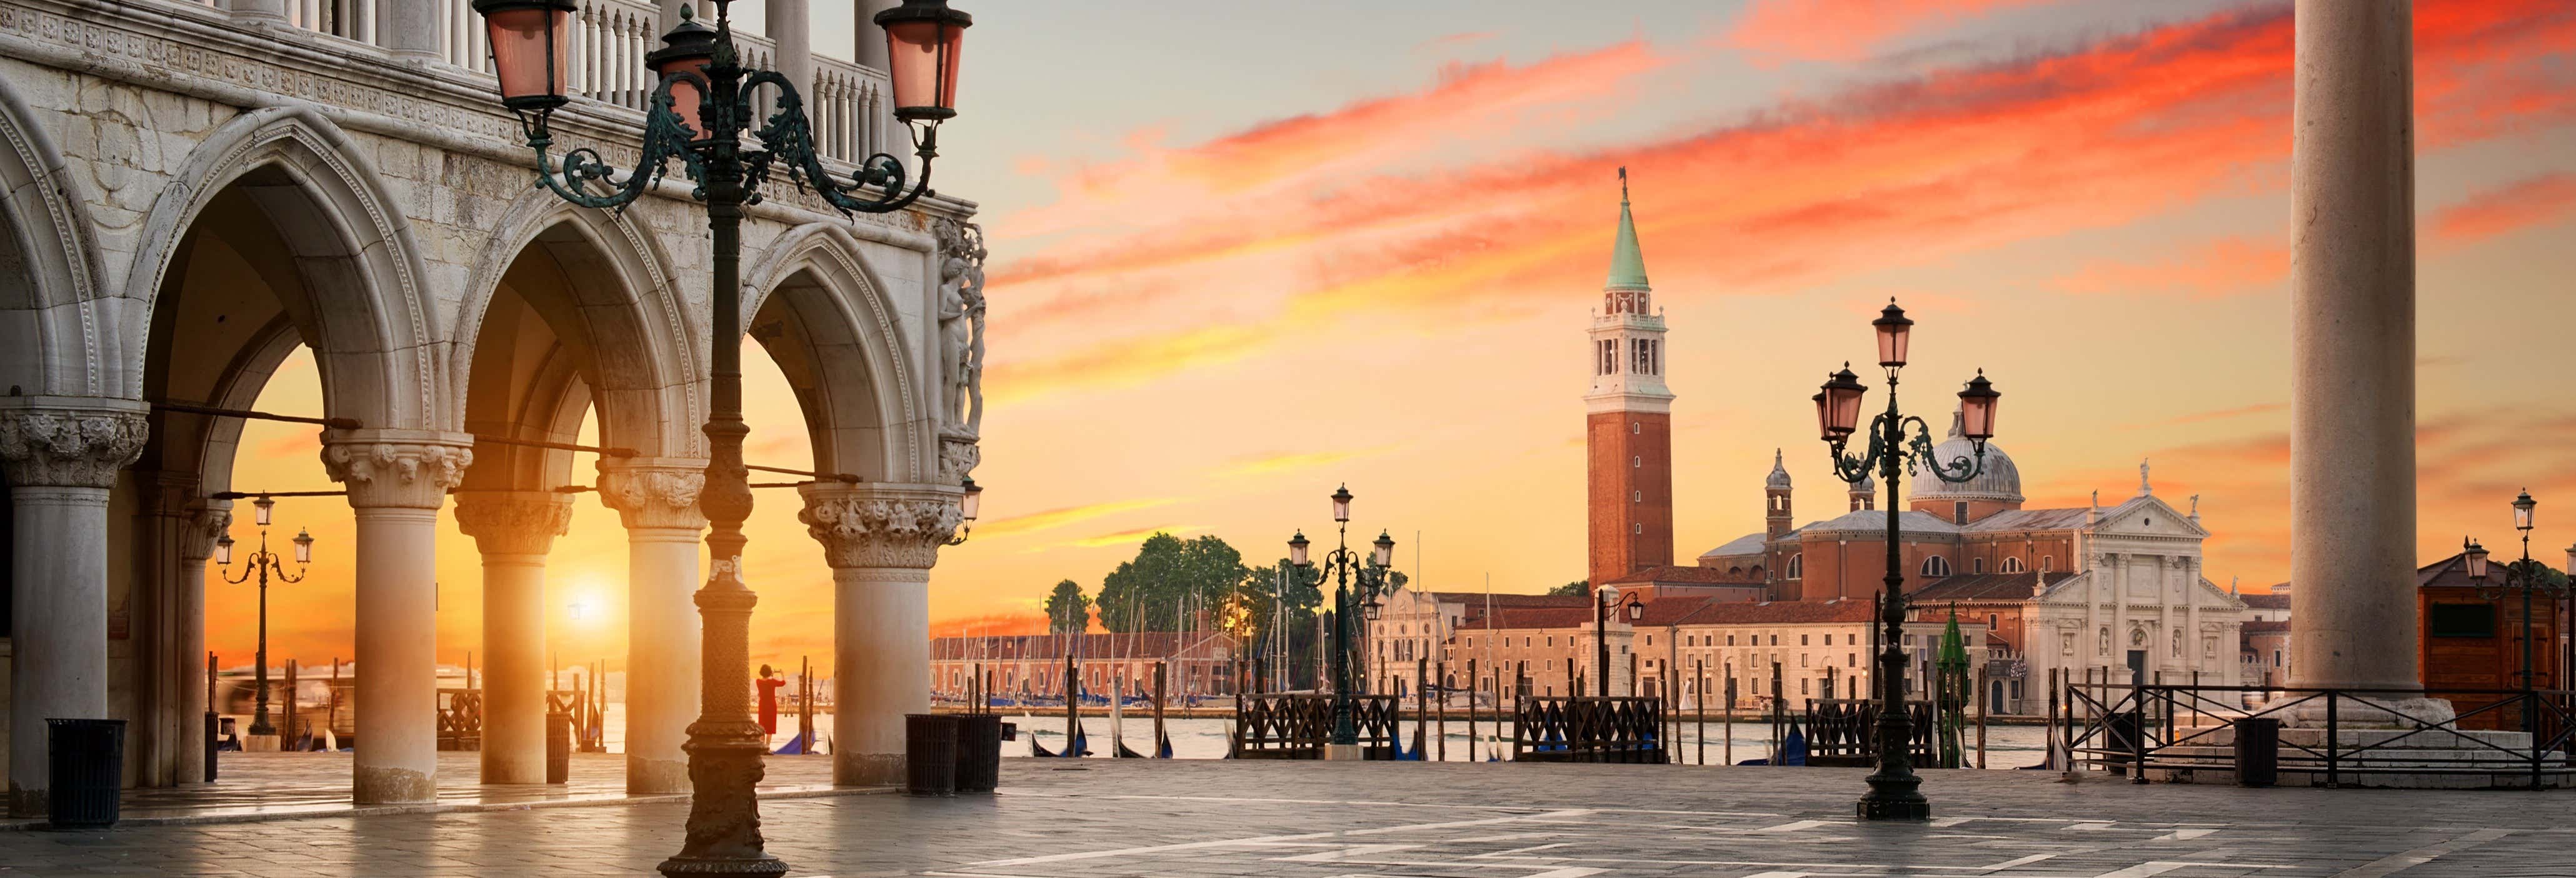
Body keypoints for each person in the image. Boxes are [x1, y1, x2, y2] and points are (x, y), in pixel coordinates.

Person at [757, 664, 786, 741]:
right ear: (770, 673)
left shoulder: (758, 682)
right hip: (771, 706)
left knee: (762, 727)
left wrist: (771, 674)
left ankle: (762, 747)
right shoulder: (772, 682)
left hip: (762, 706)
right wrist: (782, 673)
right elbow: (783, 683)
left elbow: (767, 681)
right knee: (770, 728)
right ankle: (767, 747)